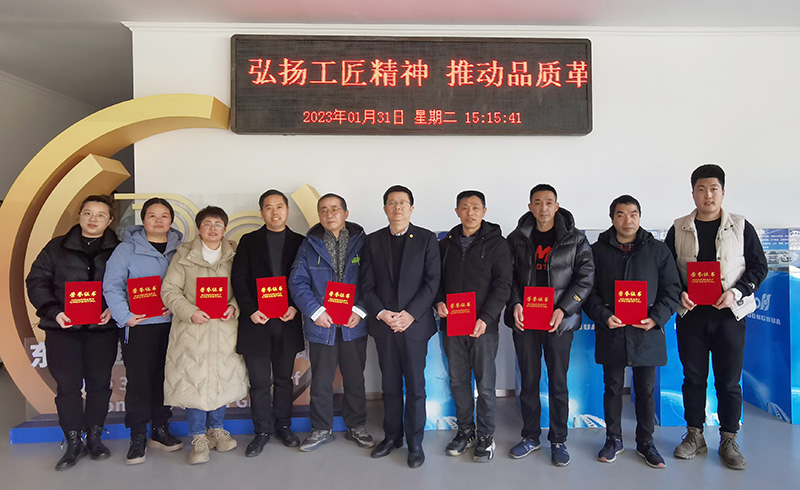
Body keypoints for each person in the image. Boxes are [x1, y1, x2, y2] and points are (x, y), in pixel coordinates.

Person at [666, 164, 767, 470]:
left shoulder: (741, 226)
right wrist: (679, 293)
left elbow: (758, 267)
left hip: (729, 316)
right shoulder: (679, 227)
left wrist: (736, 292)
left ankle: (729, 438)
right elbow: (667, 270)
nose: (707, 195)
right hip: (692, 316)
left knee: (729, 380)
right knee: (693, 378)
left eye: (713, 189)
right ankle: (694, 435)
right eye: (701, 189)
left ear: (723, 192)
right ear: (693, 193)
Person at [583, 195, 681, 468]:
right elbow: (588, 290)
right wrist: (603, 316)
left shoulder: (658, 250)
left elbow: (672, 289)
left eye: (633, 214)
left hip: (646, 331)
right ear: (612, 218)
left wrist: (656, 318)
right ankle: (613, 439)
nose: (628, 220)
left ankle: (646, 442)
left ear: (640, 216)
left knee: (645, 389)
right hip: (613, 329)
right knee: (613, 388)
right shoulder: (597, 251)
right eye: (621, 214)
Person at [26, 195, 120, 470]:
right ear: (79, 215)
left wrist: (114, 308)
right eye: (88, 213)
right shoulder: (56, 248)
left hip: (102, 330)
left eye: (100, 215)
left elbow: (129, 282)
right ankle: (73, 441)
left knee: (99, 385)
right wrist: (54, 311)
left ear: (109, 220)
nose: (93, 219)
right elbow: (37, 281)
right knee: (67, 387)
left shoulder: (119, 250)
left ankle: (95, 438)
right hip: (62, 330)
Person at [505, 184, 594, 467]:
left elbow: (585, 278)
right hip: (526, 320)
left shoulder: (575, 239)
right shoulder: (517, 238)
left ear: (556, 206)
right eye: (537, 202)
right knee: (529, 380)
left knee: (557, 380)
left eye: (548, 202)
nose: (543, 208)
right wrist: (515, 303)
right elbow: (507, 277)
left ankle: (558, 440)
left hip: (558, 321)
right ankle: (530, 436)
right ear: (530, 206)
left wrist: (563, 309)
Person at [360, 185, 440, 469]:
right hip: (385, 326)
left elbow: (432, 282)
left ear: (411, 208)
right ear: (385, 208)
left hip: (414, 327)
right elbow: (366, 285)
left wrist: (410, 315)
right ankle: (392, 437)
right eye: (392, 203)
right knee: (390, 386)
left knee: (416, 386)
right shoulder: (372, 241)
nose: (397, 207)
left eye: (403, 202)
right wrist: (383, 314)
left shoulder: (427, 239)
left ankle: (415, 443)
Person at [160, 205, 247, 465]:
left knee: (221, 378)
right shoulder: (183, 255)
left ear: (225, 228)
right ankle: (198, 437)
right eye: (207, 223)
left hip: (224, 328)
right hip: (192, 329)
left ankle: (217, 429)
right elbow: (169, 290)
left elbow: (244, 287)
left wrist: (234, 306)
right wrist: (190, 312)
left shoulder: (235, 255)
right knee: (194, 381)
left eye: (218, 224)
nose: (212, 228)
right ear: (199, 228)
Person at [288, 193, 374, 452]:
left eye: (335, 209)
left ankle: (356, 426)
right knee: (322, 380)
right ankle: (321, 428)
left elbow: (372, 279)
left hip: (353, 323)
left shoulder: (363, 243)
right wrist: (315, 312)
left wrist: (360, 310)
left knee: (355, 379)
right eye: (323, 210)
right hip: (321, 325)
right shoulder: (309, 245)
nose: (329, 214)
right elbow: (297, 281)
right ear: (319, 215)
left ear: (345, 213)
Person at [103, 197, 184, 464]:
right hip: (138, 326)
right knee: (139, 382)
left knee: (165, 378)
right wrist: (125, 316)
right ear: (144, 219)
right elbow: (112, 285)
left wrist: (179, 306)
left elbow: (189, 284)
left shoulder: (180, 250)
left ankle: (160, 429)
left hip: (172, 326)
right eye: (152, 215)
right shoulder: (126, 249)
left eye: (164, 216)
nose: (158, 220)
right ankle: (138, 434)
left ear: (171, 220)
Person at [434, 190, 512, 463]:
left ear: (484, 211)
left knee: (485, 385)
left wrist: (486, 317)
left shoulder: (498, 244)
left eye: (476, 207)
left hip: (483, 327)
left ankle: (486, 436)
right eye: (465, 207)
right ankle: (465, 431)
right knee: (458, 382)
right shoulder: (445, 245)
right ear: (457, 212)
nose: (470, 212)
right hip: (452, 325)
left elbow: (503, 285)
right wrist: (438, 302)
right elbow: (435, 281)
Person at [231, 190, 305, 456]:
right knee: (260, 382)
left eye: (279, 207)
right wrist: (251, 310)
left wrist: (295, 306)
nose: (275, 212)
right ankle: (261, 431)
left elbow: (306, 280)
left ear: (287, 210)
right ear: (262, 212)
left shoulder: (301, 242)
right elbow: (238, 278)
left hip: (287, 321)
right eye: (269, 207)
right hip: (256, 323)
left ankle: (284, 426)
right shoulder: (249, 241)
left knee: (284, 379)